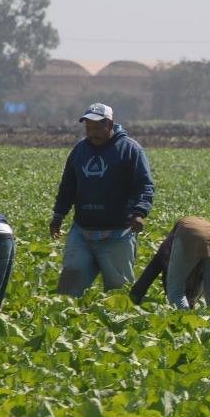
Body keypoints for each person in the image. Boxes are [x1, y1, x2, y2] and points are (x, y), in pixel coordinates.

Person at [51, 103, 155, 296]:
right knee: (67, 291)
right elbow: (68, 186)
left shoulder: (130, 150)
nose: (92, 133)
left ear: (110, 125)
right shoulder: (79, 150)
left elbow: (145, 185)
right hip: (82, 233)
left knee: (118, 296)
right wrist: (59, 214)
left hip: (117, 235)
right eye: (89, 128)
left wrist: (140, 212)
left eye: (98, 128)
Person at [130, 217, 210, 314]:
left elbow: (150, 271)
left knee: (176, 291)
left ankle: (182, 323)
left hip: (191, 234)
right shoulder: (178, 238)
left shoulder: (168, 245)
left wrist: (134, 297)